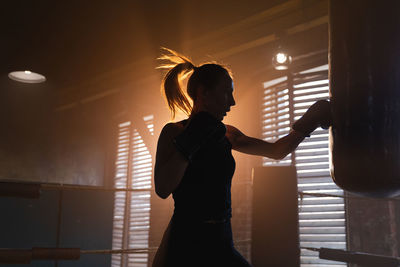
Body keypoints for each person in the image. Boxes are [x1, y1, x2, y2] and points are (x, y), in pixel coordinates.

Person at [152, 48, 331, 267]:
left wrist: (308, 122)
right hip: (186, 242)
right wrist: (192, 138)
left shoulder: (227, 133)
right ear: (204, 93)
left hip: (221, 240)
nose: (233, 102)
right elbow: (162, 188)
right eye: (227, 92)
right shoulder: (174, 132)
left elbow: (276, 151)